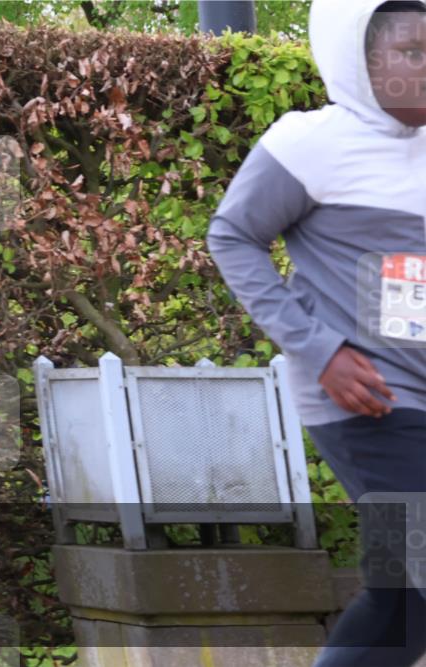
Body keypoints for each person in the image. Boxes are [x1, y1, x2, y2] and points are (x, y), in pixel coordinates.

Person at [207, 1, 426, 665]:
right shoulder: (308, 143)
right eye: (412, 53)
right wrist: (319, 349)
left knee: (403, 604)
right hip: (368, 404)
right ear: (359, 63)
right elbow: (232, 236)